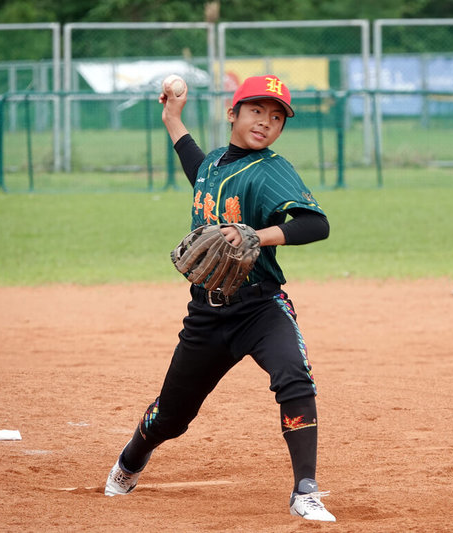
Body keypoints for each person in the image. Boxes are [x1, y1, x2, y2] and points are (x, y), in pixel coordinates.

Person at [103, 75, 336, 522]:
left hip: (261, 306)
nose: (265, 123)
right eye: (256, 111)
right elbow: (198, 167)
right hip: (206, 316)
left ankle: (305, 490)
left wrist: (255, 234)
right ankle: (131, 460)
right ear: (233, 113)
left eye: (275, 117)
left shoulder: (272, 170)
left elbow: (316, 224)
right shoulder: (214, 165)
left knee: (294, 376)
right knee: (171, 416)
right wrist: (173, 118)